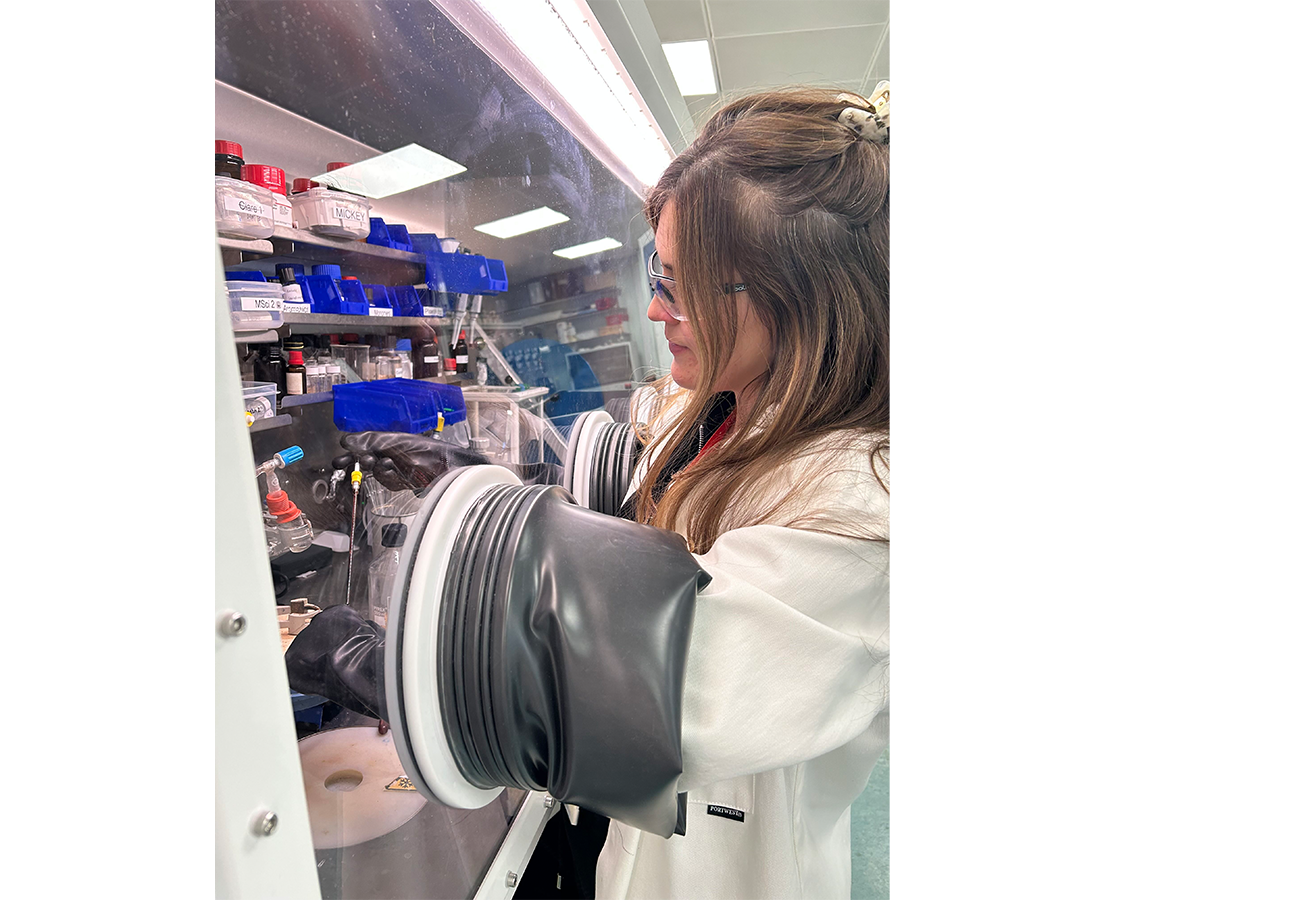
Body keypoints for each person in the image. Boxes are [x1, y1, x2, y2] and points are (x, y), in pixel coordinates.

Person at [295, 83, 889, 900]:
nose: (653, 307)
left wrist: (369, 657)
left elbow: (655, 689)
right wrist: (463, 478)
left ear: (799, 295)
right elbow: (633, 542)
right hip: (617, 829)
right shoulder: (718, 405)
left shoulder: (859, 508)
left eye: (678, 285)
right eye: (658, 272)